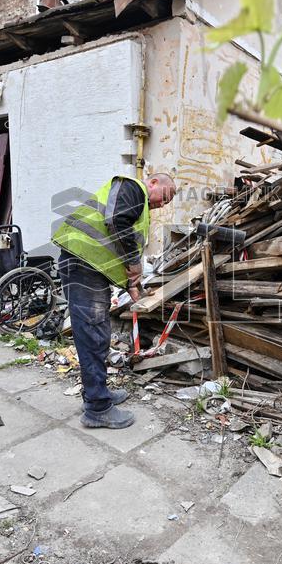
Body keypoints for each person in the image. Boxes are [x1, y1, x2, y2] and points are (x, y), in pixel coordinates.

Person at [52, 173, 177, 429]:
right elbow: (116, 221)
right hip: (83, 265)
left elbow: (116, 242)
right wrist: (134, 263)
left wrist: (132, 285)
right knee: (93, 334)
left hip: (89, 267)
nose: (164, 203)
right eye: (167, 196)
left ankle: (97, 394)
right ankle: (97, 408)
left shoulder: (138, 203)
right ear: (154, 183)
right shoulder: (133, 187)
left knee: (98, 333)